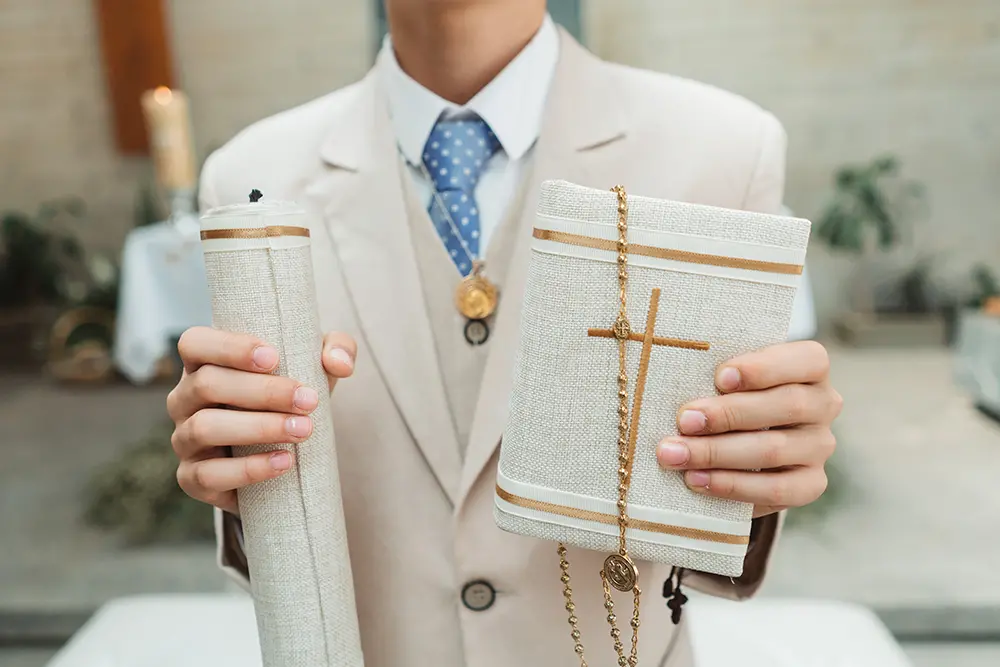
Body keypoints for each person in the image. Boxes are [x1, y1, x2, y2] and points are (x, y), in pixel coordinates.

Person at [167, 1, 842, 664]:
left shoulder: (724, 148)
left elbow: (718, 490)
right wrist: (240, 464)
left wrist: (756, 465)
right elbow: (273, 526)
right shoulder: (250, 174)